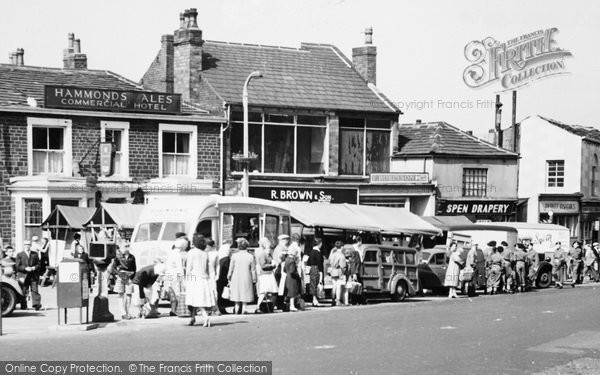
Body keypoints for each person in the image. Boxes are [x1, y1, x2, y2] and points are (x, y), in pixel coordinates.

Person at [185, 234, 215, 327]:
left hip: (194, 278)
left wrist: (186, 279)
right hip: (203, 278)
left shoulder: (191, 252)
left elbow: (189, 267)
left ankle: (205, 316)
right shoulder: (205, 253)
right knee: (198, 299)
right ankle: (192, 318)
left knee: (196, 299)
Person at [227, 238, 257, 315]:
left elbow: (231, 268)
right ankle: (244, 308)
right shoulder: (250, 256)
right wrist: (254, 279)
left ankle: (236, 308)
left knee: (237, 293)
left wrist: (229, 276)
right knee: (245, 292)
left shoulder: (234, 256)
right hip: (246, 276)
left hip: (236, 277)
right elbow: (253, 269)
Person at [111, 242, 137, 320]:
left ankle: (127, 312)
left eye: (127, 247)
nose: (126, 248)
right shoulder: (118, 257)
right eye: (125, 247)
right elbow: (113, 268)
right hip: (121, 277)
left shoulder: (132, 257)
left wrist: (132, 275)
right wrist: (118, 274)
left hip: (129, 277)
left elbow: (134, 268)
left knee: (129, 294)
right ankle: (123, 313)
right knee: (120, 294)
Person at [15, 240, 42, 310]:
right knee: (24, 290)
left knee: (35, 290)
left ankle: (36, 305)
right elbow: (17, 266)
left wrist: (33, 268)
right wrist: (25, 268)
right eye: (26, 245)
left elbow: (39, 264)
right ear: (23, 245)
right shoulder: (19, 254)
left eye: (29, 244)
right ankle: (24, 305)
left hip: (33, 275)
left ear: (31, 245)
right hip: (23, 276)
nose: (27, 246)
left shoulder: (35, 254)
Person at [165, 237, 188, 316]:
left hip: (169, 274)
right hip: (175, 274)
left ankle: (173, 309)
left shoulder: (171, 252)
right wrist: (183, 279)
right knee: (177, 292)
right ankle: (175, 309)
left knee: (172, 292)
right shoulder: (177, 254)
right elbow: (180, 268)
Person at [254, 237, 278, 313]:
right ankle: (258, 307)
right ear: (264, 248)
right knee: (263, 291)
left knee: (273, 291)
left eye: (270, 249)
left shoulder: (269, 255)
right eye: (268, 249)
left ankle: (270, 307)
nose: (269, 250)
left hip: (270, 274)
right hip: (265, 275)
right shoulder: (262, 255)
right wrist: (272, 265)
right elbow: (263, 266)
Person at [306, 237, 325, 306]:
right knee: (316, 284)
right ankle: (315, 299)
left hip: (311, 269)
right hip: (316, 269)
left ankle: (314, 299)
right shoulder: (317, 252)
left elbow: (308, 262)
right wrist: (321, 273)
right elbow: (320, 263)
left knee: (313, 284)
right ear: (320, 243)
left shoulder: (311, 252)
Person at [328, 240, 347, 306]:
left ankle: (333, 299)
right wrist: (344, 272)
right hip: (338, 271)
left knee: (334, 286)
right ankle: (338, 300)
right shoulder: (341, 255)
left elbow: (330, 261)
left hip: (332, 271)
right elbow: (343, 265)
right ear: (341, 247)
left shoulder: (332, 254)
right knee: (338, 286)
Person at [216, 241, 232, 314]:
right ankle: (222, 308)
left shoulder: (220, 258)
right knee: (222, 295)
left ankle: (219, 307)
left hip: (218, 279)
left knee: (219, 294)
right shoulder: (227, 259)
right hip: (223, 279)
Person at [206, 238, 220, 315]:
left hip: (212, 274)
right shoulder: (203, 253)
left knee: (214, 291)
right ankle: (207, 309)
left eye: (208, 246)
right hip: (205, 275)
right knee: (206, 291)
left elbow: (218, 265)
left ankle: (215, 308)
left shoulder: (215, 253)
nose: (206, 247)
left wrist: (217, 274)